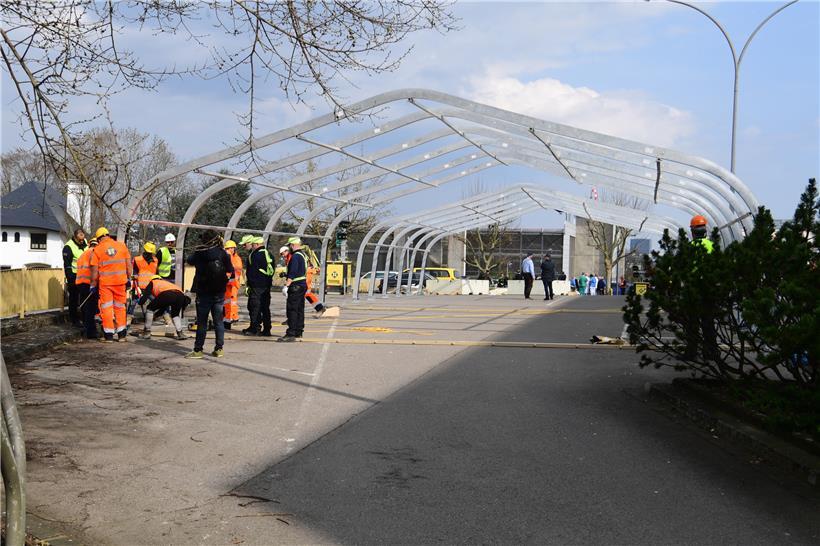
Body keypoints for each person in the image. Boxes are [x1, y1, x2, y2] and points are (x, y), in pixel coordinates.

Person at [185, 230, 234, 358]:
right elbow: (230, 270)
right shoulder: (223, 253)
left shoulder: (200, 253)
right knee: (218, 321)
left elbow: (189, 260)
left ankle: (198, 350)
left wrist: (198, 248)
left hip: (203, 292)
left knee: (202, 322)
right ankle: (219, 348)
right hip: (218, 292)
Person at [90, 227, 132, 342]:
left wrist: (93, 285)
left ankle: (108, 335)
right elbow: (129, 265)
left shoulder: (97, 250)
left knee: (106, 308)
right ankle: (122, 335)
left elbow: (94, 271)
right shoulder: (122, 246)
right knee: (120, 307)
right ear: (108, 235)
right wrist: (129, 278)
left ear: (99, 239)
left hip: (106, 284)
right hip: (120, 283)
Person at [137, 275, 190, 340]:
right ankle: (180, 333)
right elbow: (164, 306)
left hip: (167, 294)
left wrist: (140, 302)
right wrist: (157, 315)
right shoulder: (166, 283)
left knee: (149, 308)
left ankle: (147, 333)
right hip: (181, 296)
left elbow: (145, 295)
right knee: (175, 315)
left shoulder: (153, 282)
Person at [280, 245, 326, 318]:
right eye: (281, 254)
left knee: (305, 293)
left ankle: (319, 308)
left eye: (283, 253)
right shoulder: (290, 257)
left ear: (287, 251)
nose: (282, 256)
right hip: (304, 275)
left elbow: (296, 269)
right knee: (304, 293)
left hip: (306, 275)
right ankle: (319, 308)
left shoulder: (293, 256)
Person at [241, 235, 273, 336]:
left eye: (245, 244)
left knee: (254, 306)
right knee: (265, 307)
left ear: (254, 244)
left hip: (257, 286)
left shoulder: (255, 255)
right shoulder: (268, 254)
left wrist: (250, 284)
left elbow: (253, 272)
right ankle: (267, 329)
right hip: (266, 286)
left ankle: (254, 328)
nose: (243, 246)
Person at [279, 237, 308, 342]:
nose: (289, 247)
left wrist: (286, 285)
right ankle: (298, 331)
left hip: (295, 285)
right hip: (302, 284)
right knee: (300, 309)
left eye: (290, 245)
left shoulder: (295, 256)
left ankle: (290, 333)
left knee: (292, 310)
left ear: (293, 245)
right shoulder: (303, 255)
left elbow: (293, 272)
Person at [63, 228, 87, 326]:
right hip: (74, 276)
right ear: (75, 237)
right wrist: (70, 278)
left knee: (84, 298)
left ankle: (85, 318)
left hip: (85, 276)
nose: (82, 241)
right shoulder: (68, 247)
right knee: (74, 299)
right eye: (80, 239)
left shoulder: (85, 242)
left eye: (83, 238)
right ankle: (74, 320)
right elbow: (67, 264)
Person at [75, 237, 98, 339]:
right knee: (91, 309)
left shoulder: (83, 254)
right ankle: (91, 332)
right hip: (89, 283)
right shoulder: (94, 253)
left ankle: (86, 328)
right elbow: (95, 269)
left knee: (85, 307)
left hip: (80, 283)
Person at [223, 240, 243, 330]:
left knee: (231, 302)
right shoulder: (229, 256)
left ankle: (232, 317)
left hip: (232, 283)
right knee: (227, 302)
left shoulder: (235, 258)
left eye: (231, 248)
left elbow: (236, 269)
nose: (229, 250)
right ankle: (229, 318)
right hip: (228, 283)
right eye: (228, 248)